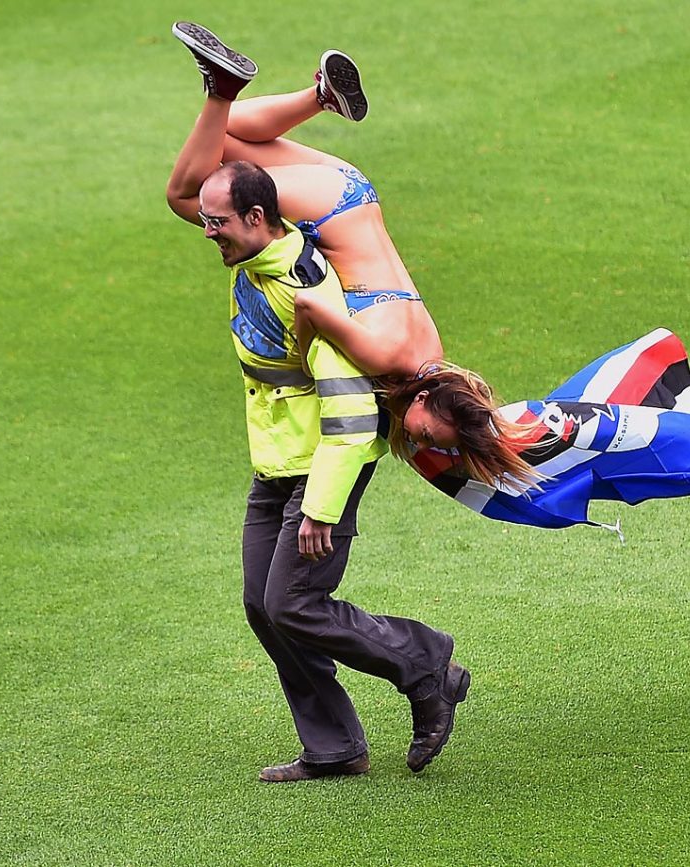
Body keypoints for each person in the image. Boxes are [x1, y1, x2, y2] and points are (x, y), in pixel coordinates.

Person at [166, 21, 470, 782]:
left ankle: (422, 660)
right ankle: (335, 743)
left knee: (206, 160)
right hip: (336, 216)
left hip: (341, 208)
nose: (210, 234)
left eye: (223, 226)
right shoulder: (392, 343)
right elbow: (340, 350)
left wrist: (323, 506)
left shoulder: (363, 330)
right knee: (264, 603)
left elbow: (352, 410)